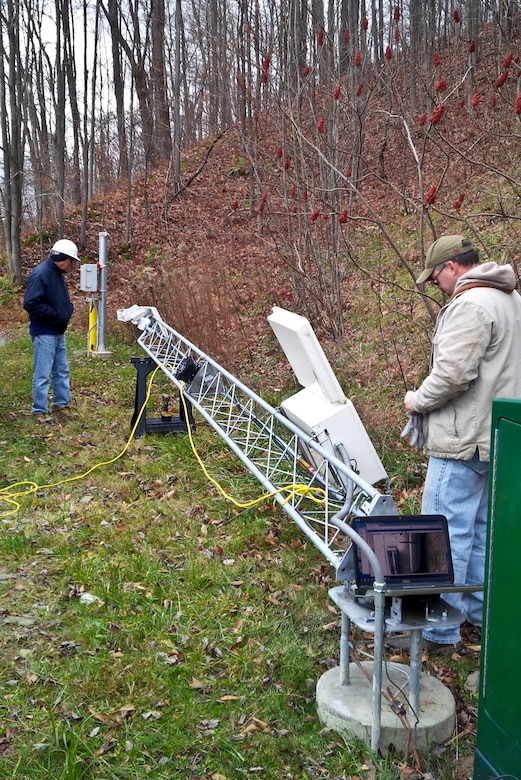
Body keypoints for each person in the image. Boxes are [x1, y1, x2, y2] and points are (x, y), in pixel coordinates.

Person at [402, 235, 521, 653]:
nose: (437, 286)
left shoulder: (471, 305)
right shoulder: (510, 299)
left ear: (452, 266)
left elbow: (453, 375)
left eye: (436, 277)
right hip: (496, 440)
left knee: (441, 533)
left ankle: (437, 631)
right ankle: (474, 613)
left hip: (462, 440)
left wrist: (417, 400)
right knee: (480, 532)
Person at [23, 239, 81, 423]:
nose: (71, 265)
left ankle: (61, 405)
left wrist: (67, 309)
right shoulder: (41, 274)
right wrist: (55, 314)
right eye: (71, 260)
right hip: (44, 332)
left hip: (56, 331)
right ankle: (39, 410)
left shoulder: (55, 273)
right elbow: (30, 303)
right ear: (62, 258)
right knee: (43, 373)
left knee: (61, 370)